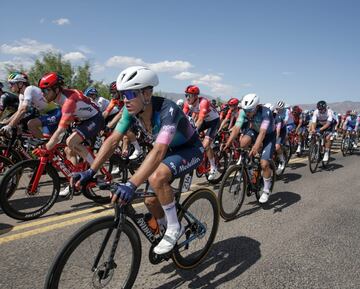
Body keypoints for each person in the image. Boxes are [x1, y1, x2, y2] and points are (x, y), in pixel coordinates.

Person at [72, 66, 204, 255]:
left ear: (147, 93)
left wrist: (131, 185)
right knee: (150, 201)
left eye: (130, 94)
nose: (125, 100)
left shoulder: (168, 110)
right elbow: (112, 141)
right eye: (122, 95)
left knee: (157, 178)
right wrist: (90, 171)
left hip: (190, 149)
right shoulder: (130, 111)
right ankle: (164, 226)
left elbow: (158, 151)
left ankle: (175, 228)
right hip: (168, 150)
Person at [38, 72, 104, 196]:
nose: (43, 94)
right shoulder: (59, 98)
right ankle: (74, 178)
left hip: (94, 118)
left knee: (71, 142)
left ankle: (96, 169)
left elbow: (61, 129)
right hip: (80, 118)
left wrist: (47, 146)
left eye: (46, 90)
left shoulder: (68, 101)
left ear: (56, 89)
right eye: (42, 91)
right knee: (68, 150)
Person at [224, 93, 276, 204]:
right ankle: (248, 165)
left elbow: (262, 133)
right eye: (245, 110)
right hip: (255, 131)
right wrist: (228, 143)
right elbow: (237, 128)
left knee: (264, 164)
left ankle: (266, 190)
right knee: (242, 144)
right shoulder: (243, 112)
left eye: (250, 111)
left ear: (257, 107)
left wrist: (256, 147)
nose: (247, 113)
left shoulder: (266, 113)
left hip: (268, 136)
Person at [0, 72, 61, 138]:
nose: (10, 86)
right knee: (46, 138)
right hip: (47, 114)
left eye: (12, 83)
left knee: (31, 124)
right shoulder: (21, 95)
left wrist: (10, 126)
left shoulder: (29, 89)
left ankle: (43, 146)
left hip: (55, 112)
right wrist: (6, 123)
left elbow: (23, 110)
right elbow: (19, 112)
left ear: (20, 84)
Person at [183, 85, 220, 180]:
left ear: (195, 96)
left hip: (214, 121)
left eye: (189, 95)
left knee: (206, 145)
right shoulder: (187, 103)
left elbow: (200, 120)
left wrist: (193, 131)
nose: (187, 98)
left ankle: (213, 167)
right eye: (186, 95)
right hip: (205, 121)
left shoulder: (203, 102)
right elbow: (183, 118)